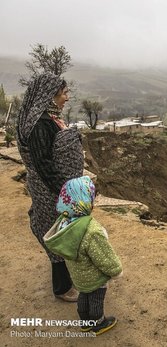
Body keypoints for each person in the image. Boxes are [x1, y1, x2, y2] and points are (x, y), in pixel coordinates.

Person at [16, 72, 84, 301]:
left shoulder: (50, 118)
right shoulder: (40, 125)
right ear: (50, 95)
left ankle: (67, 280)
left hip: (55, 189)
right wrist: (66, 190)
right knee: (57, 234)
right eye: (64, 93)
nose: (67, 97)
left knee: (63, 232)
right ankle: (62, 289)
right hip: (50, 191)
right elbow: (44, 164)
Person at [44, 176, 122, 336]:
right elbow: (103, 256)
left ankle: (85, 322)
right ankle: (98, 323)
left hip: (77, 276)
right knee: (95, 299)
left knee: (83, 297)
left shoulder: (63, 225)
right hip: (94, 277)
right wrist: (116, 270)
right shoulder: (91, 230)